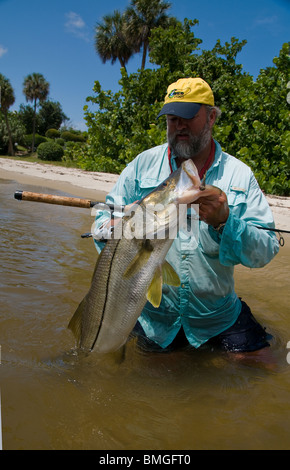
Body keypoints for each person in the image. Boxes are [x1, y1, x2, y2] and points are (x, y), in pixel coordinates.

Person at [93, 77, 279, 358]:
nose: (179, 125)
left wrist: (225, 221)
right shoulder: (142, 165)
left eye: (188, 116)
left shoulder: (239, 175)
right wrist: (116, 226)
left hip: (216, 316)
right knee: (155, 391)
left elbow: (265, 250)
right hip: (156, 319)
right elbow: (99, 223)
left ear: (212, 117)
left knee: (267, 366)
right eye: (171, 118)